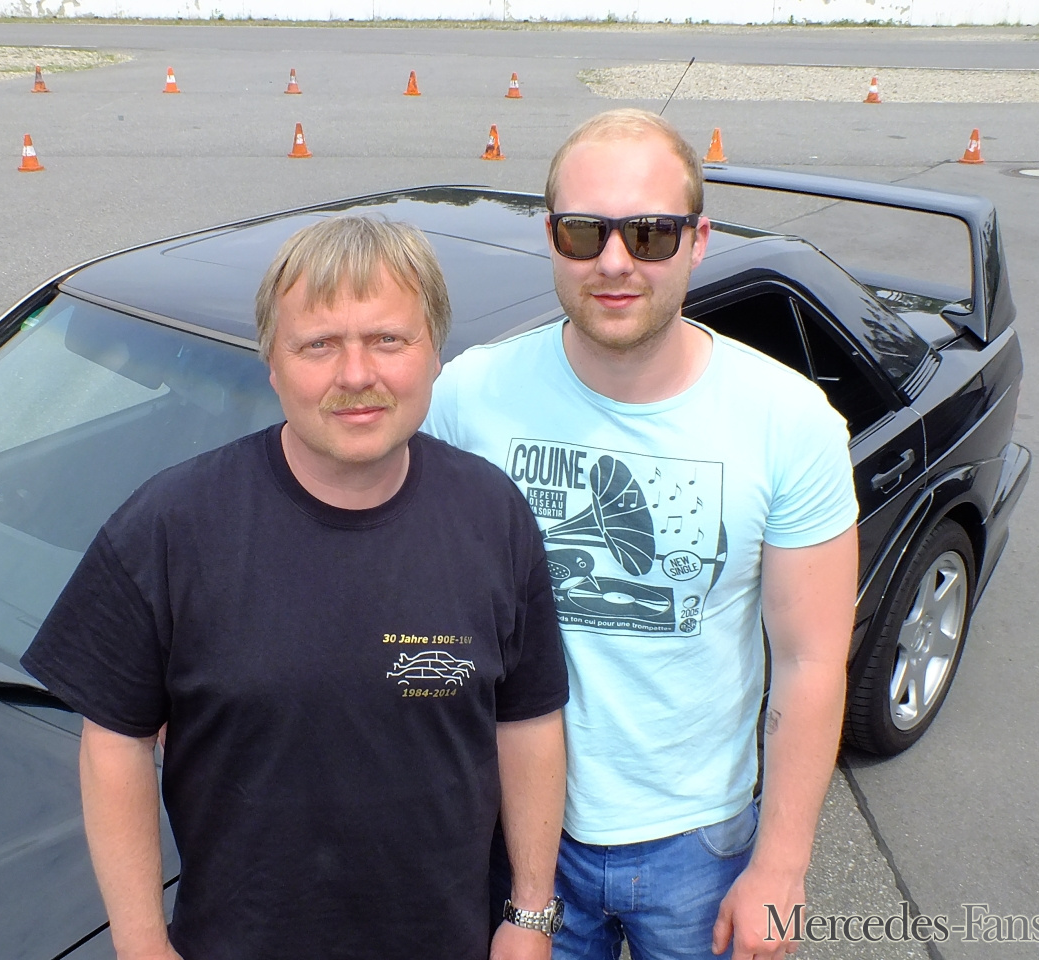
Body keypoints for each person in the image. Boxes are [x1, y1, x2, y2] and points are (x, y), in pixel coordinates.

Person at [21, 217, 570, 960]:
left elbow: (528, 721)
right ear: (273, 364)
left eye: (388, 339)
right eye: (318, 345)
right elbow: (115, 741)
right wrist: (143, 944)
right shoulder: (172, 526)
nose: (356, 375)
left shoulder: (492, 514)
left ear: (434, 354)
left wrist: (530, 914)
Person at [424, 109, 859, 960]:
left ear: (699, 241)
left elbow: (810, 661)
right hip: (519, 834)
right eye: (584, 232)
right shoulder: (468, 396)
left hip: (699, 842)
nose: (615, 261)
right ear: (551, 239)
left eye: (651, 233)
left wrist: (782, 864)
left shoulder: (787, 419)